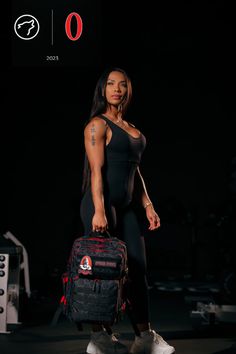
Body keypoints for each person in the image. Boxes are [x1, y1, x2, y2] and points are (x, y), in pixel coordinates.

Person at [80, 67, 175, 354]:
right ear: (103, 89)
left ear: (128, 91)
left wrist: (148, 204)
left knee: (138, 268)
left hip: (128, 206)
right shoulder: (97, 125)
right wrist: (99, 210)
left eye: (122, 85)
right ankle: (99, 337)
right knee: (101, 271)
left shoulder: (131, 127)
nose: (117, 89)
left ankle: (144, 338)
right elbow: (96, 172)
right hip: (102, 204)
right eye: (111, 84)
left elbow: (136, 171)